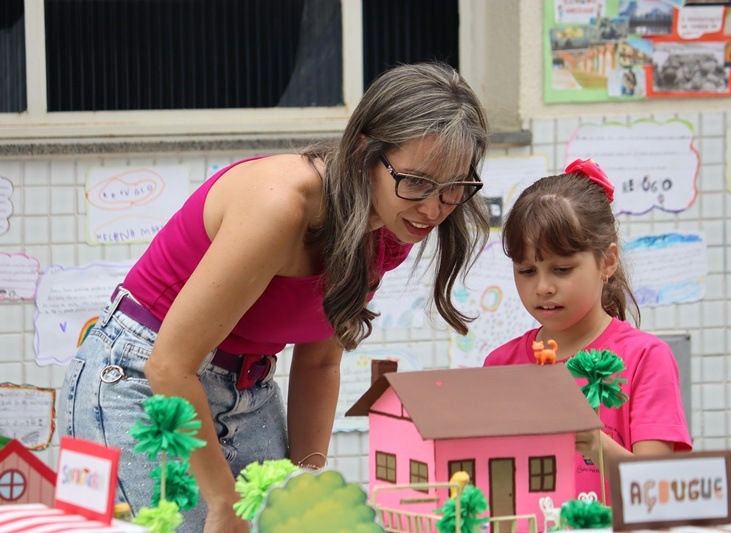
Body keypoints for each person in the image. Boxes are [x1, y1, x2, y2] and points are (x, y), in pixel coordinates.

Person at [58, 62, 490, 532]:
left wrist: (309, 486)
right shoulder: (279, 206)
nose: (433, 209)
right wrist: (222, 501)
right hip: (142, 380)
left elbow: (319, 362)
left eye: (453, 189)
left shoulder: (389, 227)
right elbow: (169, 365)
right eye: (417, 182)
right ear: (364, 150)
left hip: (249, 390)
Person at [483, 158, 691, 498]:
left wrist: (596, 443)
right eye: (527, 271)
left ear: (607, 261)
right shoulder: (500, 365)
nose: (543, 287)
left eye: (562, 269)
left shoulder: (645, 358)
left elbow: (658, 489)